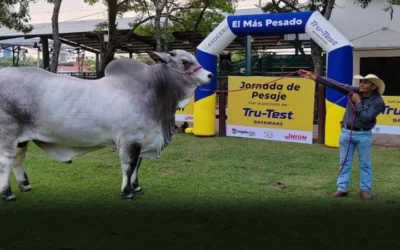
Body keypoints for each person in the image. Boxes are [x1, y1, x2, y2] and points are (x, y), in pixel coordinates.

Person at [298, 69, 385, 200]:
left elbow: (367, 118)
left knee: (365, 163)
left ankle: (365, 189)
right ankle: (342, 188)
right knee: (344, 162)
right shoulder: (353, 91)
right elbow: (335, 84)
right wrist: (314, 77)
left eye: (365, 82)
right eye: (361, 81)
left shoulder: (378, 102)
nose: (361, 84)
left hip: (363, 134)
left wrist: (358, 103)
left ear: (373, 86)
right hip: (346, 132)